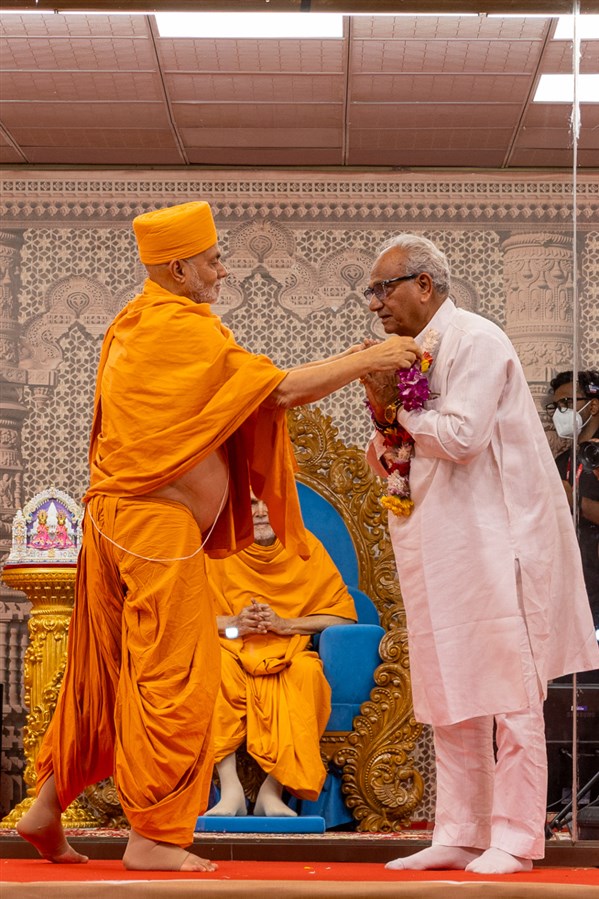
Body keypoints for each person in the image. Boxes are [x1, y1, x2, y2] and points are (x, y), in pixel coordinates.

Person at [16, 201, 421, 873]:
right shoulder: (176, 327)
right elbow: (275, 391)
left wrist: (355, 358)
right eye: (209, 261)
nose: (221, 271)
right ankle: (153, 836)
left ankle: (45, 808)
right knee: (177, 678)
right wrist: (366, 359)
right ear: (176, 265)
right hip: (153, 525)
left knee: (109, 673)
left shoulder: (138, 323)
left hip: (125, 522)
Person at [360, 233, 599, 875]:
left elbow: (462, 436)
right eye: (372, 293)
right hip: (439, 544)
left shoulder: (477, 340)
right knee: (449, 687)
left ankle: (517, 837)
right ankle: (460, 830)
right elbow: (389, 454)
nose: (376, 303)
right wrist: (386, 430)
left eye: (385, 289)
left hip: (498, 542)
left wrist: (396, 414)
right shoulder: (408, 354)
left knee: (512, 695)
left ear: (426, 286)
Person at [203, 494, 356, 818]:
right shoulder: (217, 551)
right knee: (213, 666)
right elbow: (185, 613)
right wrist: (233, 624)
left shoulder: (305, 548)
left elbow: (343, 616)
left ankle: (272, 792)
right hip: (232, 647)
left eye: (266, 503)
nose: (259, 512)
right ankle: (230, 790)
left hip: (288, 648)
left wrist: (286, 624)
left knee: (307, 674)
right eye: (251, 503)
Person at [547, 370, 599, 632]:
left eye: (567, 402)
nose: (561, 412)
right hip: (572, 585)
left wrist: (573, 500)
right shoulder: (561, 461)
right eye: (557, 406)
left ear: (594, 404)